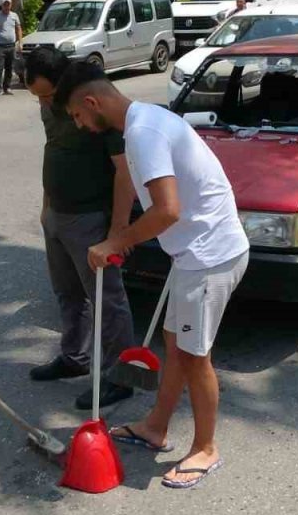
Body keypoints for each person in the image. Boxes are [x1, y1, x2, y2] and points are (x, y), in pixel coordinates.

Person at [54, 62, 250, 490]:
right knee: (175, 345)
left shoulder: (144, 132)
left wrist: (114, 243)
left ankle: (206, 448)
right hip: (193, 254)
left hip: (209, 255)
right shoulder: (142, 122)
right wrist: (117, 234)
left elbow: (167, 210)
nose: (80, 124)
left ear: (91, 102)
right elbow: (128, 180)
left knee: (195, 356)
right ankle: (156, 427)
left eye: (76, 115)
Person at [24, 48, 137, 410]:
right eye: (37, 97)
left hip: (90, 218)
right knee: (67, 293)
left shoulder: (97, 109)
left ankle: (120, 377)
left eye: (46, 94)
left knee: (107, 300)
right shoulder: (50, 105)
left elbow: (124, 171)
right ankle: (75, 357)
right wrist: (46, 208)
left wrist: (118, 230)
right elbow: (53, 147)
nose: (43, 102)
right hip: (57, 214)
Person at [0, 0, 23, 96]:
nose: (7, 6)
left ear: (11, 5)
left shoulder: (14, 15)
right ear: (2, 5)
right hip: (0, 46)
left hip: (12, 46)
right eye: (5, 4)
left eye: (8, 4)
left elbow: (18, 29)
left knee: (9, 68)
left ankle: (7, 87)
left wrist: (20, 42)